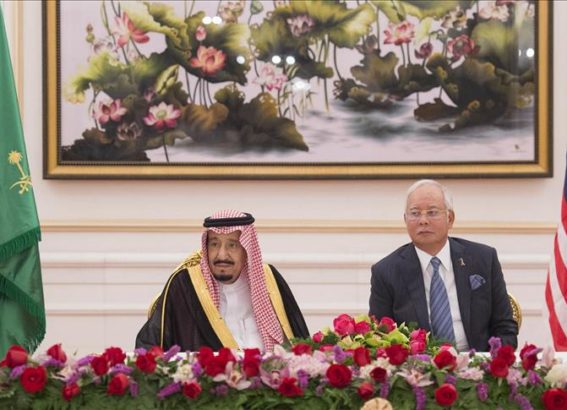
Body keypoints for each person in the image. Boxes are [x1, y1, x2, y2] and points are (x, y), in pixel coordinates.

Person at [369, 180, 517, 351]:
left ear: (450, 218)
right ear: (405, 219)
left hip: (477, 360)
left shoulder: (483, 259)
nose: (423, 220)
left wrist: (489, 361)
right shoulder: (386, 272)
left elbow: (505, 327)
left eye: (432, 212)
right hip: (419, 365)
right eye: (415, 213)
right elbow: (381, 338)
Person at [136, 210, 309, 351]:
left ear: (246, 250)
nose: (222, 255)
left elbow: (299, 342)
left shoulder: (269, 278)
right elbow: (150, 346)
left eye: (232, 245)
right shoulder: (185, 284)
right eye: (214, 244)